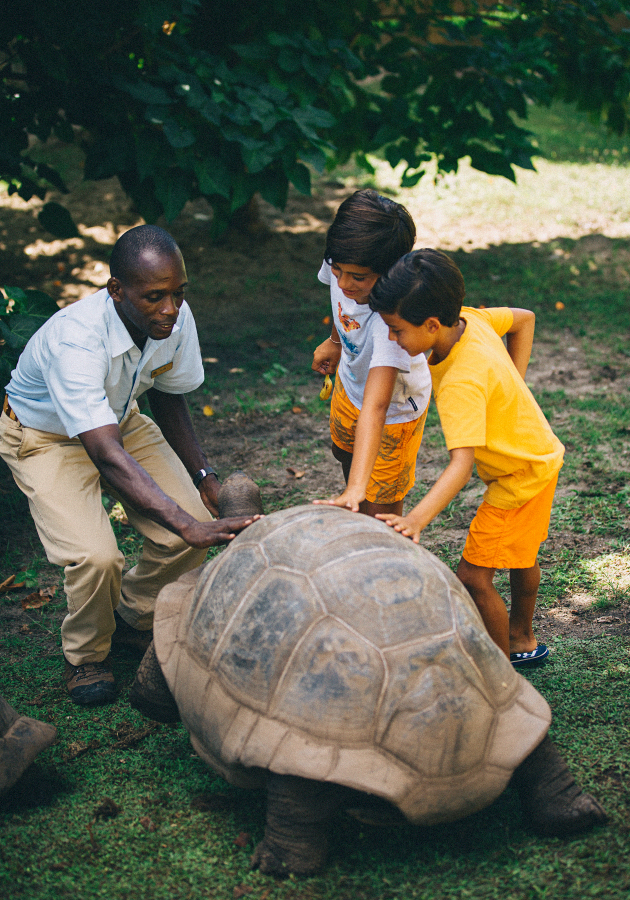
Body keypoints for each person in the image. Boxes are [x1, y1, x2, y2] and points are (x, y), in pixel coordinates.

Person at [0, 225, 257, 706]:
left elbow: (168, 394)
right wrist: (180, 521)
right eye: (155, 297)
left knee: (198, 523)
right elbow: (106, 456)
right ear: (116, 290)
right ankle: (87, 655)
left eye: (179, 293)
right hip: (45, 437)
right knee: (97, 557)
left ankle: (132, 618)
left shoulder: (173, 317)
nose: (170, 309)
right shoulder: (76, 341)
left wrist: (203, 478)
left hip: (119, 419)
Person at [369, 249, 564, 666]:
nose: (391, 340)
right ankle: (521, 637)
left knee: (474, 577)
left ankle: (500, 672)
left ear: (432, 325)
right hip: (540, 455)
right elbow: (524, 318)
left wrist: (415, 519)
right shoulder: (471, 319)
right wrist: (513, 383)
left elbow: (461, 465)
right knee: (521, 554)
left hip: (518, 478)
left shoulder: (461, 382)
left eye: (396, 330)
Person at [312, 190, 432, 518]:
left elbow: (377, 407)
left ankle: (371, 519)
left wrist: (354, 488)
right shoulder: (343, 264)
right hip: (350, 384)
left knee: (380, 515)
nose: (344, 282)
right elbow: (340, 303)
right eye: (338, 271)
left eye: (358, 277)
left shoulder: (391, 323)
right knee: (343, 452)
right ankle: (358, 495)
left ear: (391, 271)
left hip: (393, 411)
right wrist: (335, 342)